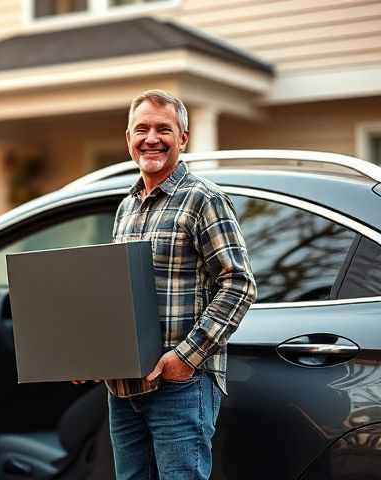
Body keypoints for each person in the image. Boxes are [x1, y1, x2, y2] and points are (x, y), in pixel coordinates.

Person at [104, 90, 257, 479]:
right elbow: (114, 292)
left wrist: (185, 358)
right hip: (123, 389)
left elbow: (238, 285)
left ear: (183, 138)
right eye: (141, 129)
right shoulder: (126, 207)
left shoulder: (204, 199)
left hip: (180, 388)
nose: (151, 138)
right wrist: (88, 353)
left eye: (163, 129)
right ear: (128, 139)